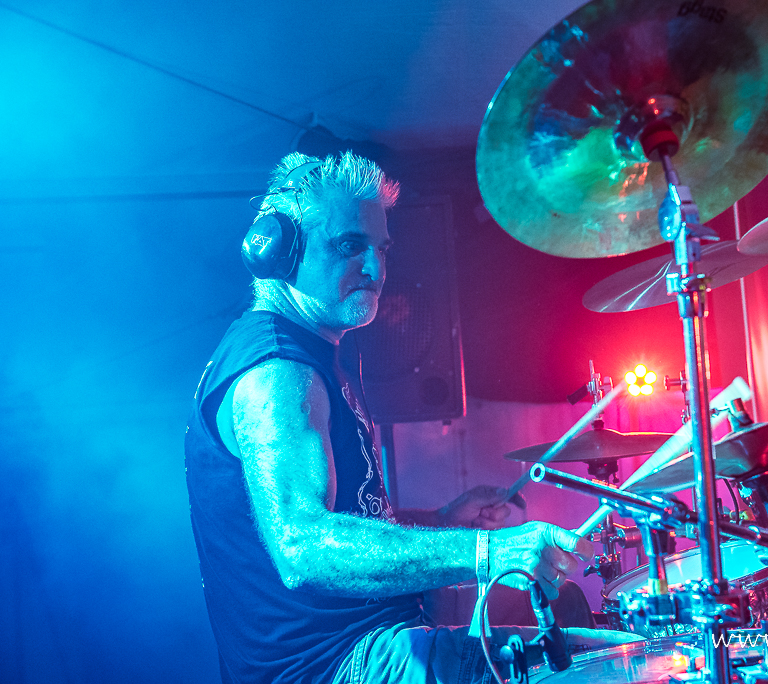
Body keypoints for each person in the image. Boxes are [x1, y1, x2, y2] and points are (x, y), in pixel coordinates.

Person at [185, 151, 634, 684]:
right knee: (616, 668)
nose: (376, 270)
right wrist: (489, 550)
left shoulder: (313, 350)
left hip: (369, 636)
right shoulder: (277, 372)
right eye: (349, 246)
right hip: (334, 666)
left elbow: (351, 517)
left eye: (381, 249)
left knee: (575, 618)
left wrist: (446, 520)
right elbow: (302, 546)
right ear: (277, 252)